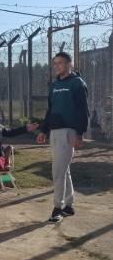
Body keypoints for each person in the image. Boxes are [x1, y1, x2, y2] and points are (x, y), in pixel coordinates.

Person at [37, 51, 89, 223]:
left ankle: (57, 208)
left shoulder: (77, 83)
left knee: (57, 171)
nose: (57, 66)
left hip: (69, 132)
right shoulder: (54, 86)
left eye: (60, 62)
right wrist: (44, 130)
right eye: (55, 63)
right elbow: (50, 110)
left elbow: (83, 111)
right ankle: (69, 205)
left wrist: (80, 133)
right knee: (63, 170)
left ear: (69, 63)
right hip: (55, 132)